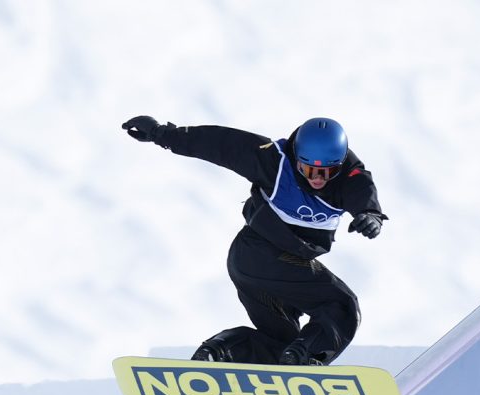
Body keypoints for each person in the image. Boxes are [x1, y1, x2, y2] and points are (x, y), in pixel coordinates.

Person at [121, 115, 387, 365]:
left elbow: (362, 192)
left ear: (339, 166)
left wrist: (370, 214)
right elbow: (221, 144)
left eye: (326, 173)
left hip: (249, 265)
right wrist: (160, 133)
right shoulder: (274, 161)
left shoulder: (350, 178)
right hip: (265, 254)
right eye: (307, 169)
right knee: (341, 306)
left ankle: (222, 351)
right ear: (296, 158)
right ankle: (306, 358)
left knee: (283, 343)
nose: (317, 179)